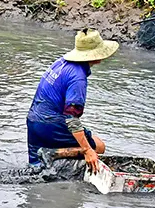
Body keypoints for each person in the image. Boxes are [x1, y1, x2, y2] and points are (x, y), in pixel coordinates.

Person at [26, 28, 119, 173]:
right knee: (99, 147)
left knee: (35, 169)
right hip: (51, 124)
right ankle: (54, 154)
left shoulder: (60, 62)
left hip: (33, 120)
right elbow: (71, 119)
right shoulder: (78, 78)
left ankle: (51, 162)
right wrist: (88, 150)